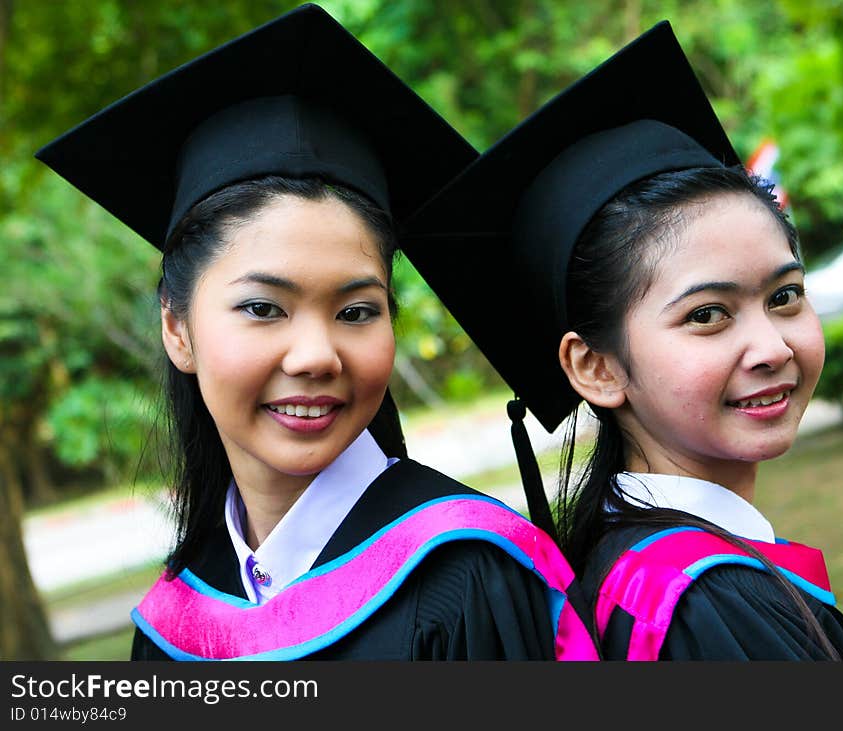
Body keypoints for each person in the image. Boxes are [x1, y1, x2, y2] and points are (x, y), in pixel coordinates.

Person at [34, 4, 598, 661]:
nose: (315, 355)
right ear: (176, 328)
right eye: (263, 308)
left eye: (356, 311)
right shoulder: (174, 625)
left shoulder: (467, 578)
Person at [403, 21, 843, 660]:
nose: (771, 347)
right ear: (596, 368)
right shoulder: (697, 599)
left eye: (784, 296)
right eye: (708, 314)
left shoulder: (637, 563)